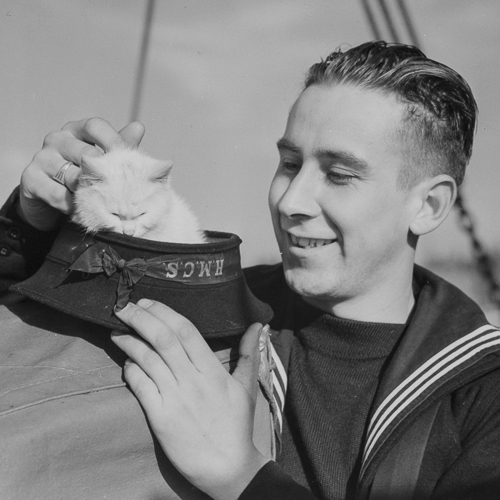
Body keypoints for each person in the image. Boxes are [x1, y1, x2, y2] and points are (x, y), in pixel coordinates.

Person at [2, 41, 500, 500]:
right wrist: (30, 226)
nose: (292, 200)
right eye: (288, 163)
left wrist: (240, 476)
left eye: (340, 174)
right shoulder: (202, 296)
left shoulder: (484, 393)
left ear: (430, 206)